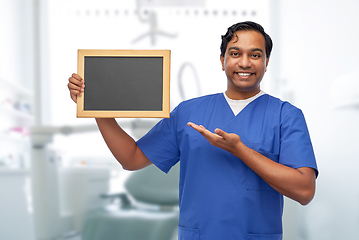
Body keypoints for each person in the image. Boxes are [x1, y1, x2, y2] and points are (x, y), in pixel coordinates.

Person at [68, 21, 318, 240]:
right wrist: (95, 106)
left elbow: (305, 190)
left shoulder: (286, 115)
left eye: (255, 55)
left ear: (266, 62)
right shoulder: (188, 113)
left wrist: (239, 150)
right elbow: (131, 158)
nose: (244, 62)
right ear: (222, 61)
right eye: (235, 53)